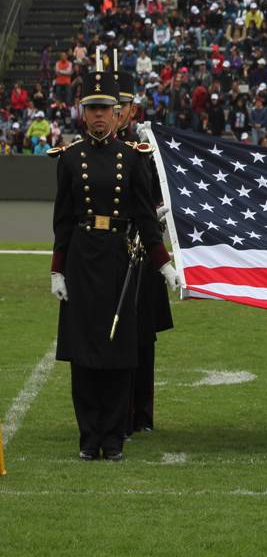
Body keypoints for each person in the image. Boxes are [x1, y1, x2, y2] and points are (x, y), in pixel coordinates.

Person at [48, 67, 180, 461]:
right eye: (93, 109)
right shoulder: (69, 159)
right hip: (82, 260)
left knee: (119, 351)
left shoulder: (133, 158)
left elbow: (144, 219)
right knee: (85, 352)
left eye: (106, 108)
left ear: (118, 112)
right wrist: (57, 269)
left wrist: (165, 266)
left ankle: (114, 437)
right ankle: (89, 437)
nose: (100, 116)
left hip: (120, 260)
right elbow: (63, 221)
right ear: (82, 112)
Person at [116, 71, 174, 436]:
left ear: (132, 109)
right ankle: (117, 412)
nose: (116, 112)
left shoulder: (146, 148)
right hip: (110, 251)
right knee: (113, 335)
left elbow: (158, 193)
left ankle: (142, 415)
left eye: (120, 106)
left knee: (142, 338)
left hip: (142, 250)